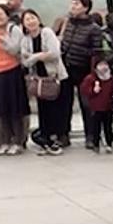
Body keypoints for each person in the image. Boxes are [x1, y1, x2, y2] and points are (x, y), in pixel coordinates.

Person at [58, 0, 105, 149]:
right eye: (72, 3)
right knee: (64, 103)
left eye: (77, 4)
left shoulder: (93, 28)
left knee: (87, 104)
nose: (73, 7)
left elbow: (97, 51)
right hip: (66, 67)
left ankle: (91, 135)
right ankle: (63, 134)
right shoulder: (67, 23)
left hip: (84, 69)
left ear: (86, 8)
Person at [20, 9, 69, 155]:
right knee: (43, 111)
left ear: (38, 19)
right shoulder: (25, 39)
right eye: (27, 19)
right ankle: (46, 140)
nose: (31, 21)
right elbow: (25, 61)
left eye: (33, 17)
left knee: (57, 110)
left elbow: (54, 54)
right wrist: (42, 55)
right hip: (39, 81)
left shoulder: (47, 33)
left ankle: (58, 139)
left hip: (55, 78)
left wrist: (34, 56)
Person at [0, 3, 29, 156]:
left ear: (8, 16)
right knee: (0, 109)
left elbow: (14, 49)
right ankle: (4, 141)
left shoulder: (14, 30)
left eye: (1, 14)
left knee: (14, 108)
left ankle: (17, 141)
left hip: (12, 72)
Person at [79, 55, 113, 154]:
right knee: (96, 127)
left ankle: (109, 144)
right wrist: (93, 91)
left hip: (108, 107)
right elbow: (84, 90)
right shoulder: (90, 78)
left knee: (108, 127)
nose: (103, 67)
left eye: (105, 64)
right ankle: (96, 144)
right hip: (95, 108)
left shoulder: (111, 78)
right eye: (100, 65)